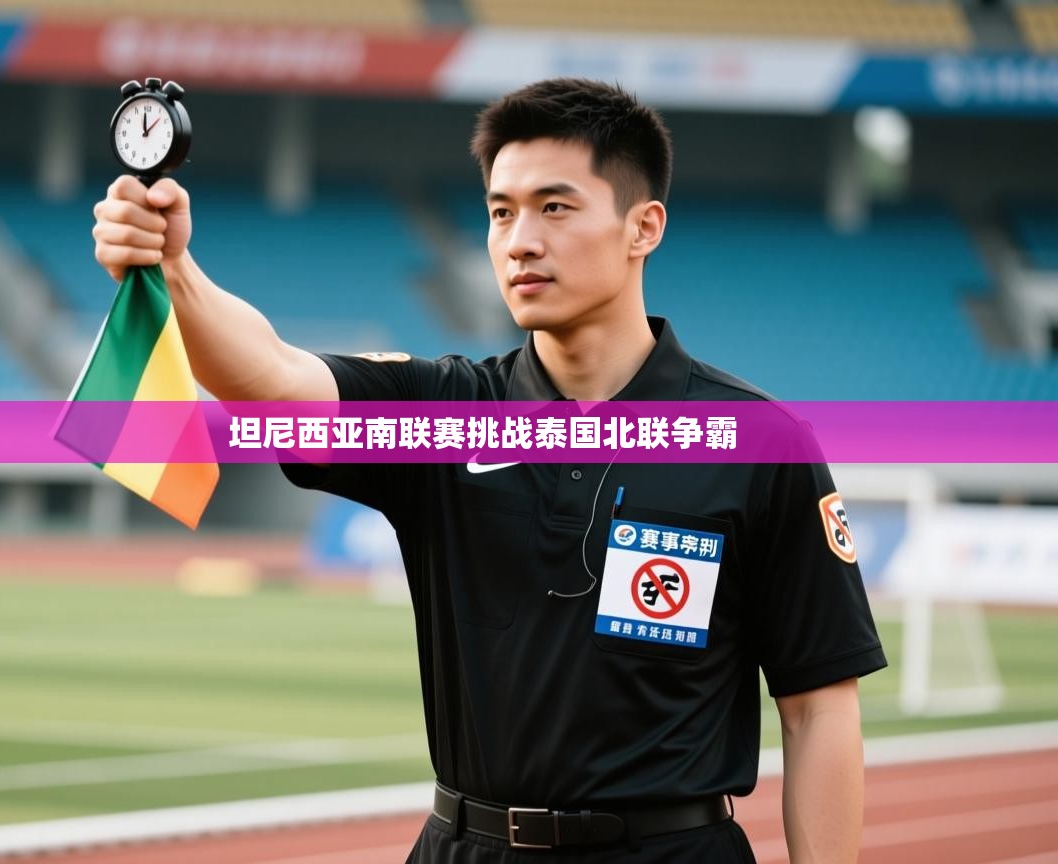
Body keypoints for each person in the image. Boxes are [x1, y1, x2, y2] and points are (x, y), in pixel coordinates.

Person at [93, 78, 886, 863]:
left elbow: (818, 710)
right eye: (501, 212)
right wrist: (173, 267)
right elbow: (270, 376)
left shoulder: (758, 443)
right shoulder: (442, 411)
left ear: (643, 227)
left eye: (555, 207)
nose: (519, 242)